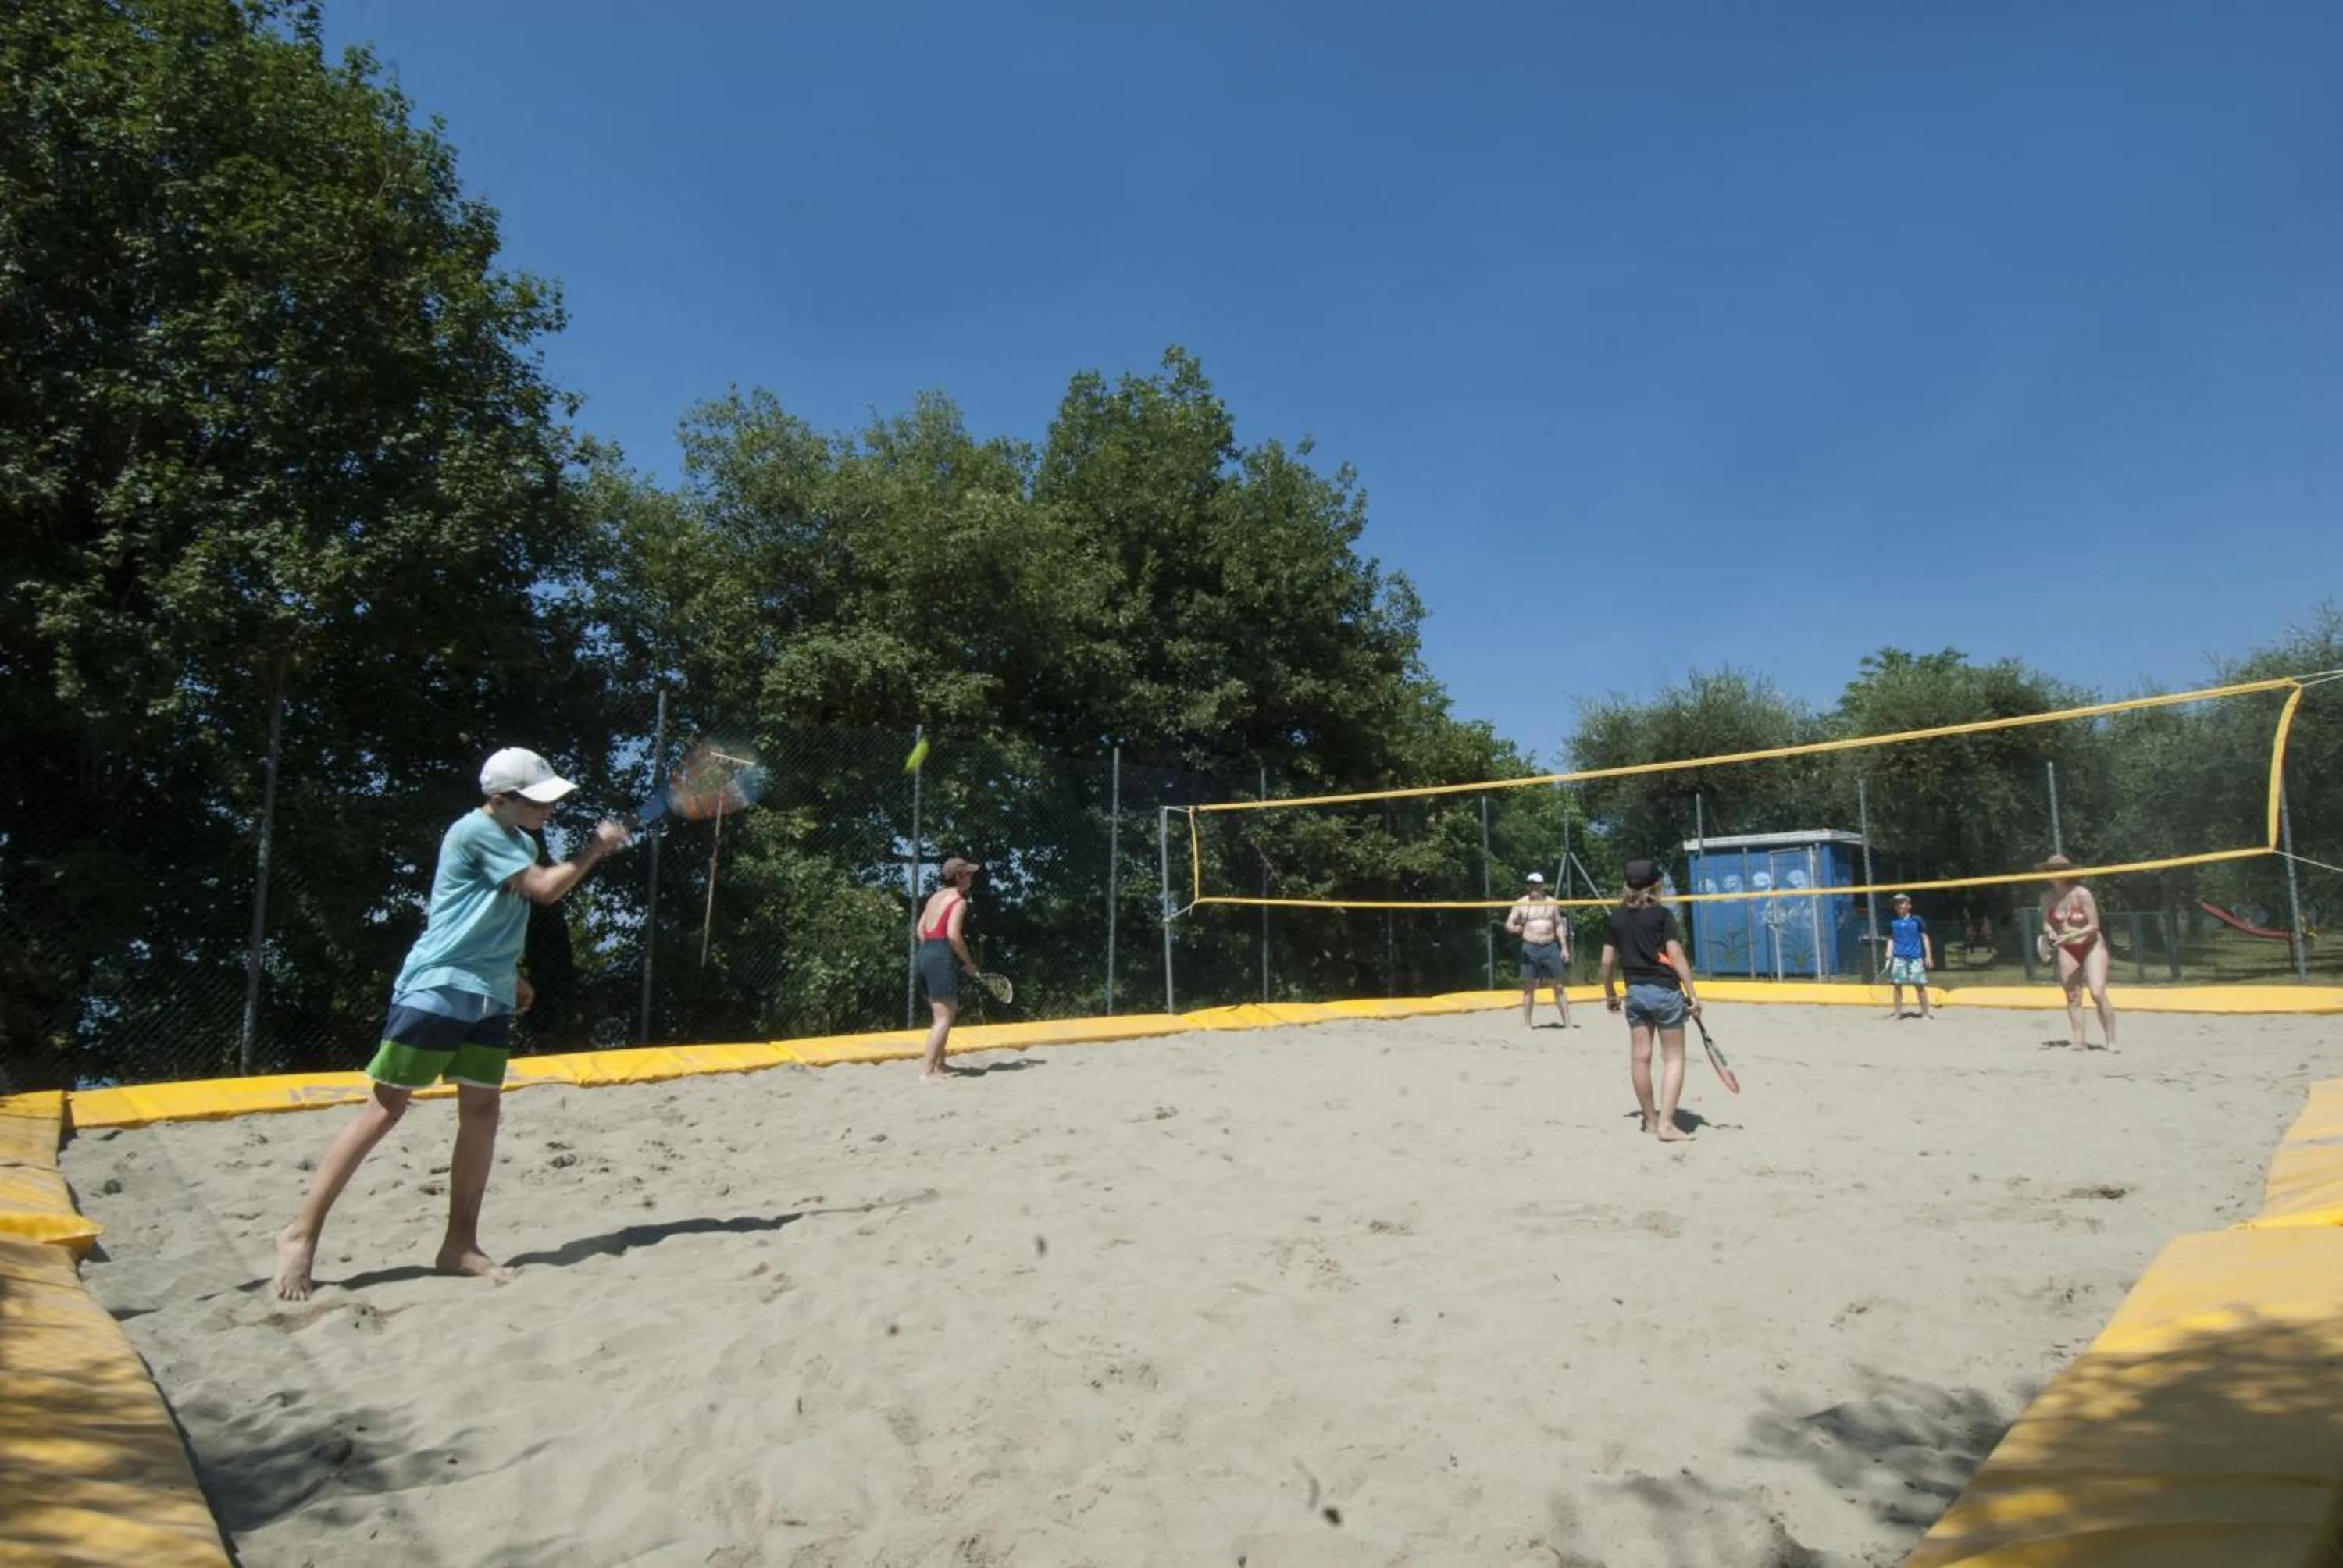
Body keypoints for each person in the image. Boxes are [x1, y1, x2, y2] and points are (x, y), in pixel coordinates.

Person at [273, 748, 629, 1302]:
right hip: (438, 987)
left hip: (487, 994)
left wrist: (510, 973)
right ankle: (300, 1234)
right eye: (537, 800)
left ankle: (459, 1244)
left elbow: (490, 913)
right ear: (499, 799)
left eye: (550, 798)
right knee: (385, 1108)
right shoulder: (475, 831)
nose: (549, 808)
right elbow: (544, 890)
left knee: (483, 1112)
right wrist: (596, 850)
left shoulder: (519, 840)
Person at [1599, 857, 1703, 1142]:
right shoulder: (1662, 916)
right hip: (1665, 991)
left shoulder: (1615, 918)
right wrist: (1692, 993)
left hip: (1636, 993)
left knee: (1640, 1059)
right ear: (1655, 885)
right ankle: (1667, 1125)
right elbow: (1677, 955)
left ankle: (1651, 1120)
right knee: (1673, 1059)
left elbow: (1607, 962)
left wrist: (1610, 994)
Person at [2039, 853, 2116, 1049]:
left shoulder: (2081, 893)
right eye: (2052, 870)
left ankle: (2111, 1041)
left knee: (2097, 993)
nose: (2056, 874)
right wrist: (2050, 933)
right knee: (2073, 996)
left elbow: (2094, 926)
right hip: (2067, 946)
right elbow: (2047, 924)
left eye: (2060, 870)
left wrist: (2070, 937)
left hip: (2091, 945)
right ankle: (2079, 1040)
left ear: (2068, 872)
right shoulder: (2046, 897)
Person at [915, 857, 982, 1082]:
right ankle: (927, 1071)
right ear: (959, 876)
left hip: (925, 954)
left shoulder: (934, 897)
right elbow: (954, 935)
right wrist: (968, 963)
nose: (972, 877)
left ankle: (940, 1064)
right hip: (940, 954)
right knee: (943, 1019)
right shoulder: (958, 901)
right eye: (968, 873)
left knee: (942, 1014)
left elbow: (920, 930)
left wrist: (932, 952)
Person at [1504, 871, 1571, 1027]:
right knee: (1529, 987)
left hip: (1550, 946)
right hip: (1530, 947)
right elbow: (1508, 924)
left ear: (1542, 886)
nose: (1533, 887)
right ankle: (1528, 1024)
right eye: (1531, 884)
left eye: (1536, 884)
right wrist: (1515, 929)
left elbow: (1559, 925)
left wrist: (1564, 948)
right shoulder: (1521, 903)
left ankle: (1568, 1023)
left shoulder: (1552, 903)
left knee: (1559, 986)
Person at [1882, 893, 1934, 1020]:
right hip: (1899, 958)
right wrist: (1889, 952)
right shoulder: (1892, 922)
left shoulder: (1917, 920)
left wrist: (1928, 956)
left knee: (1919, 985)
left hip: (1915, 958)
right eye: (1897, 903)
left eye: (1902, 902)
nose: (1899, 905)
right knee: (1897, 985)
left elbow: (1924, 937)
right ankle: (1898, 1013)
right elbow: (1890, 939)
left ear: (1909, 906)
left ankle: (1925, 1013)